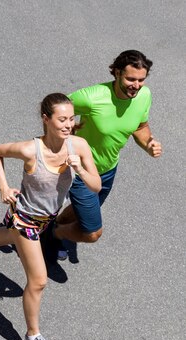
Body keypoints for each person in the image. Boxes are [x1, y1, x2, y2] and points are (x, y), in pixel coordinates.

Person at [0, 93, 101, 340]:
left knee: (8, 237)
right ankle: (33, 336)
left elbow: (95, 186)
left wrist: (81, 171)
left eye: (71, 119)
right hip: (26, 217)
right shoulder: (30, 150)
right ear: (46, 119)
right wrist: (4, 187)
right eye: (62, 119)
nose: (68, 124)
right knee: (37, 281)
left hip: (45, 219)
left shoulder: (79, 147)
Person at [52, 50, 162, 259]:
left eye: (141, 80)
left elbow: (140, 126)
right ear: (117, 73)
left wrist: (148, 144)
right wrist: (59, 142)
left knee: (78, 211)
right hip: (80, 170)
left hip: (108, 169)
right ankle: (52, 234)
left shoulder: (144, 95)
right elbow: (54, 110)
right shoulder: (92, 97)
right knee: (92, 233)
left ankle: (54, 228)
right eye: (130, 78)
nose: (136, 85)